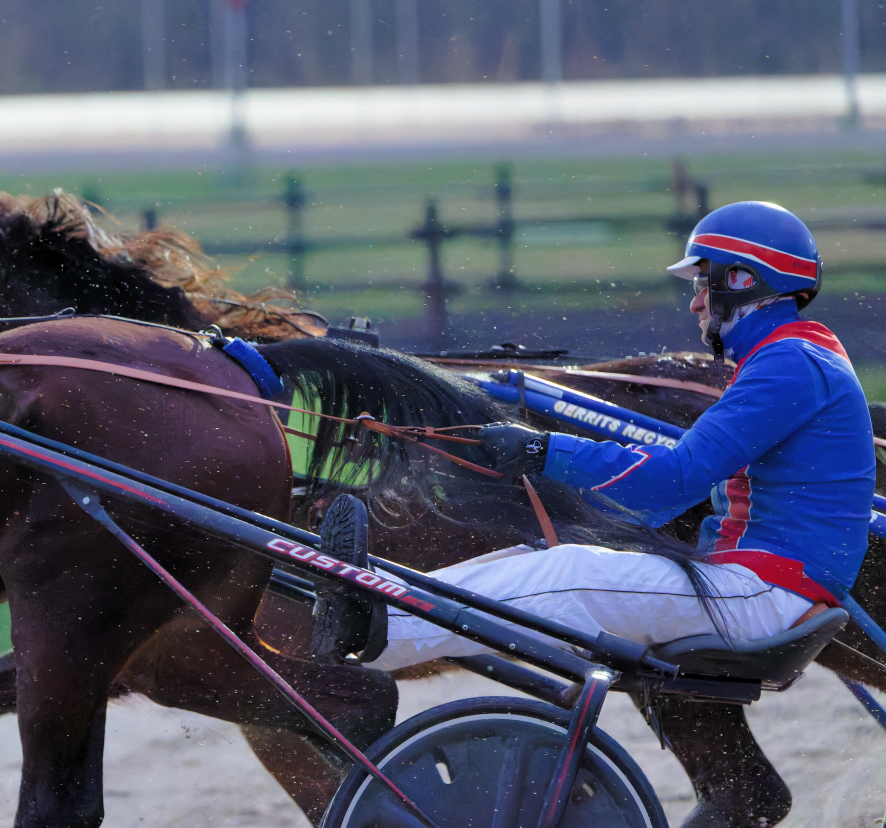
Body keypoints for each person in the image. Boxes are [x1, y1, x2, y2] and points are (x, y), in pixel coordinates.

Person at [312, 200, 876, 671]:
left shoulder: (789, 366)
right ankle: (376, 599)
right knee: (535, 558)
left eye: (704, 283)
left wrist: (543, 449)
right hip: (756, 584)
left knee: (566, 574)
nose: (696, 302)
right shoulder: (793, 359)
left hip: (765, 593)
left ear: (742, 280)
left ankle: (377, 630)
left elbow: (675, 479)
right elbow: (672, 485)